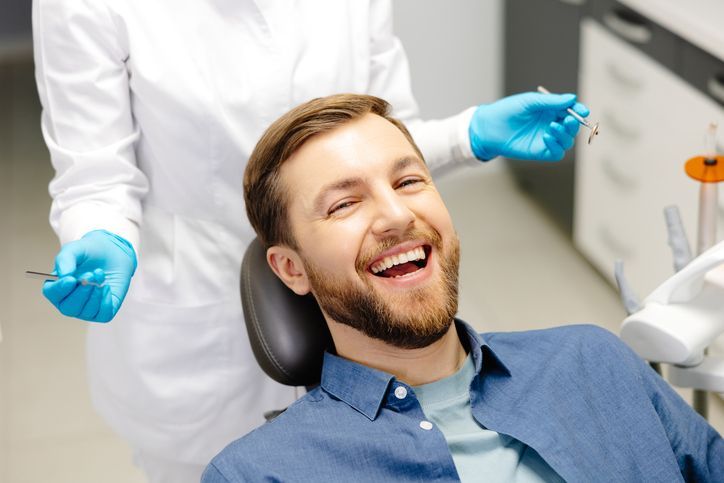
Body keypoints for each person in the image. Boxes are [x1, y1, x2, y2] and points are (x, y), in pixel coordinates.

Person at [32, 0, 588, 480]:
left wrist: (468, 134)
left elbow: (376, 141)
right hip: (199, 324)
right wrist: (101, 233)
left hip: (349, 310)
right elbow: (96, 172)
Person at [202, 93, 723, 482]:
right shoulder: (256, 475)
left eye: (409, 182)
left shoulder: (593, 359)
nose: (396, 214)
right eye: (344, 204)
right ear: (291, 268)